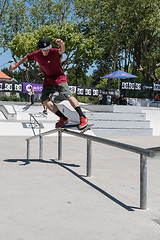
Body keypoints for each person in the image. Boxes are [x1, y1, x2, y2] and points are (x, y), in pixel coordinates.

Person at [9, 37, 88, 129]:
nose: (46, 51)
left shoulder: (54, 52)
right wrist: (15, 65)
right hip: (48, 80)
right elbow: (26, 57)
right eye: (44, 50)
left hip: (59, 78)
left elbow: (61, 51)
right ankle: (63, 118)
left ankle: (82, 117)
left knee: (68, 96)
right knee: (45, 101)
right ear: (40, 49)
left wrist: (62, 44)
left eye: (47, 49)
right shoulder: (37, 55)